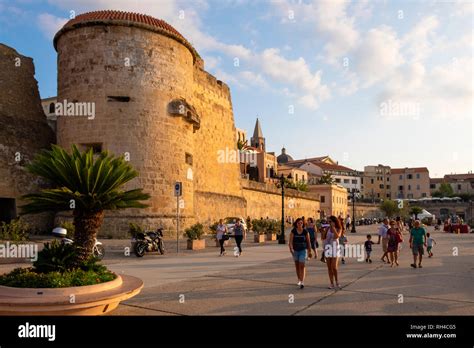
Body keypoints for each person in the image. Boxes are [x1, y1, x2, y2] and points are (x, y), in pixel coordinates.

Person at [289, 218, 312, 289]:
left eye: (301, 223)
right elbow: (290, 242)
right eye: (298, 223)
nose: (300, 224)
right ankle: (299, 279)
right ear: (296, 224)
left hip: (302, 250)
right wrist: (291, 249)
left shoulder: (305, 232)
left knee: (302, 265)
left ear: (303, 224)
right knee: (297, 266)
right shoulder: (293, 231)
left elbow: (308, 242)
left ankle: (302, 281)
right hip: (295, 251)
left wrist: (309, 251)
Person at [325, 215, 343, 289]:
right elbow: (323, 237)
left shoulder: (339, 228)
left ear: (334, 222)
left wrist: (333, 228)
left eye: (330, 221)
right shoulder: (327, 228)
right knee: (329, 267)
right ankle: (331, 283)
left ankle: (337, 281)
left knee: (334, 267)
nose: (329, 223)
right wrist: (322, 231)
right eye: (328, 222)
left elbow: (337, 236)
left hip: (335, 249)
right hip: (328, 248)